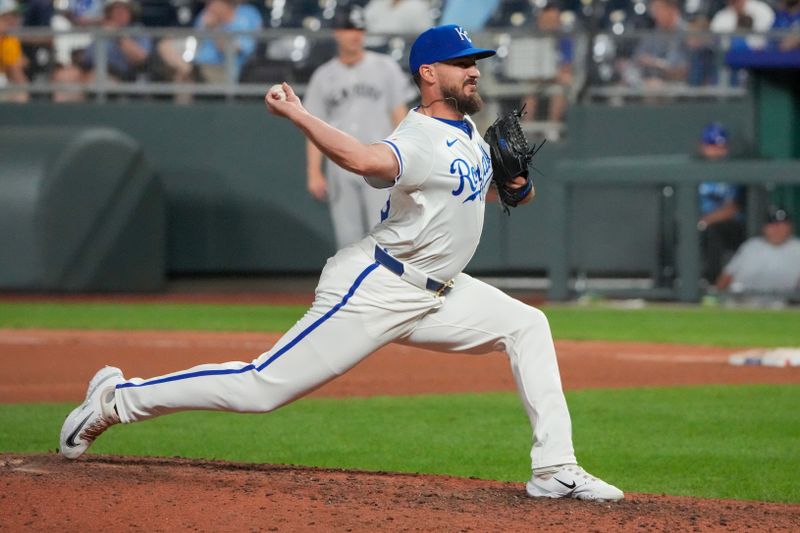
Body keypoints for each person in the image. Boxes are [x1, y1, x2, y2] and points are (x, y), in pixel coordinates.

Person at [59, 23, 624, 503]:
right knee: (261, 388)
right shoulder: (422, 135)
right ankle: (118, 400)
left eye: (476, 62)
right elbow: (363, 159)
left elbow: (491, 194)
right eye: (462, 63)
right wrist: (300, 116)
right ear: (430, 72)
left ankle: (554, 469)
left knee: (528, 325)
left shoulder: (467, 130)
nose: (475, 70)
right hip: (378, 287)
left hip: (440, 293)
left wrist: (517, 185)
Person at [304, 4, 411, 249]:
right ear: (337, 32)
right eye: (349, 28)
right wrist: (313, 171)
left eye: (359, 29)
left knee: (384, 232)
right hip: (340, 164)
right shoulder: (323, 76)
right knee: (348, 237)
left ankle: (385, 287)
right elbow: (314, 127)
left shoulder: (386, 67)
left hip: (380, 161)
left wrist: (406, 159)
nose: (355, 34)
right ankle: (352, 287)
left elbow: (400, 116)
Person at [156, 0, 262, 89]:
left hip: (221, 71)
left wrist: (215, 29)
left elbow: (231, 49)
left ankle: (186, 70)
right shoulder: (205, 15)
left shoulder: (247, 15)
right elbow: (194, 43)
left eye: (212, 3)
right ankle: (181, 110)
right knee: (167, 48)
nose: (209, 7)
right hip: (198, 64)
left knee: (185, 74)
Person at [696, 122, 745, 284]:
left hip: (729, 226)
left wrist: (704, 221)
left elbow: (732, 208)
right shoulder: (695, 169)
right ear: (702, 146)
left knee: (713, 232)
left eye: (720, 146)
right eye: (711, 145)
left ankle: (713, 283)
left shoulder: (732, 171)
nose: (716, 150)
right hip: (698, 223)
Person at [716, 207, 800, 295]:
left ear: (790, 227)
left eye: (782, 224)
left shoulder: (797, 247)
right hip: (744, 300)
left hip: (785, 302)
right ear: (764, 227)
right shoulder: (751, 246)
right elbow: (727, 276)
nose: (777, 228)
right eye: (772, 224)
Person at [520, 2, 573, 127]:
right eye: (547, 20)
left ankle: (553, 128)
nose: (551, 25)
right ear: (540, 21)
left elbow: (566, 67)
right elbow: (525, 66)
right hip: (535, 78)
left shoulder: (565, 40)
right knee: (530, 91)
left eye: (554, 21)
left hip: (557, 78)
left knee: (560, 88)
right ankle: (525, 129)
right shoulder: (531, 38)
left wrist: (553, 75)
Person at [80, 0, 152, 83]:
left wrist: (117, 35)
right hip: (94, 70)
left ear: (131, 12)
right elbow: (87, 57)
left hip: (124, 76)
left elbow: (141, 57)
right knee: (70, 76)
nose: (120, 14)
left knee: (97, 79)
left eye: (124, 10)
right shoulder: (103, 29)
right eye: (116, 10)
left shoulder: (137, 29)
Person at [625, 0, 689, 91]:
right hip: (649, 84)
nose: (655, 15)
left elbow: (681, 69)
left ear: (672, 10)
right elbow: (636, 61)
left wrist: (655, 63)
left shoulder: (687, 33)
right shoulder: (653, 34)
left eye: (659, 10)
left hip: (680, 87)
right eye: (654, 10)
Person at [0, 0, 29, 102]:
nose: (15, 20)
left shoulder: (10, 39)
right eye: (10, 16)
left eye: (16, 16)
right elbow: (17, 76)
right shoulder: (8, 40)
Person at [363, 0, 433, 34]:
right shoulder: (377, 3)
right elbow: (362, 23)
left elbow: (425, 36)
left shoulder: (417, 7)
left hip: (401, 53)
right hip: (368, 50)